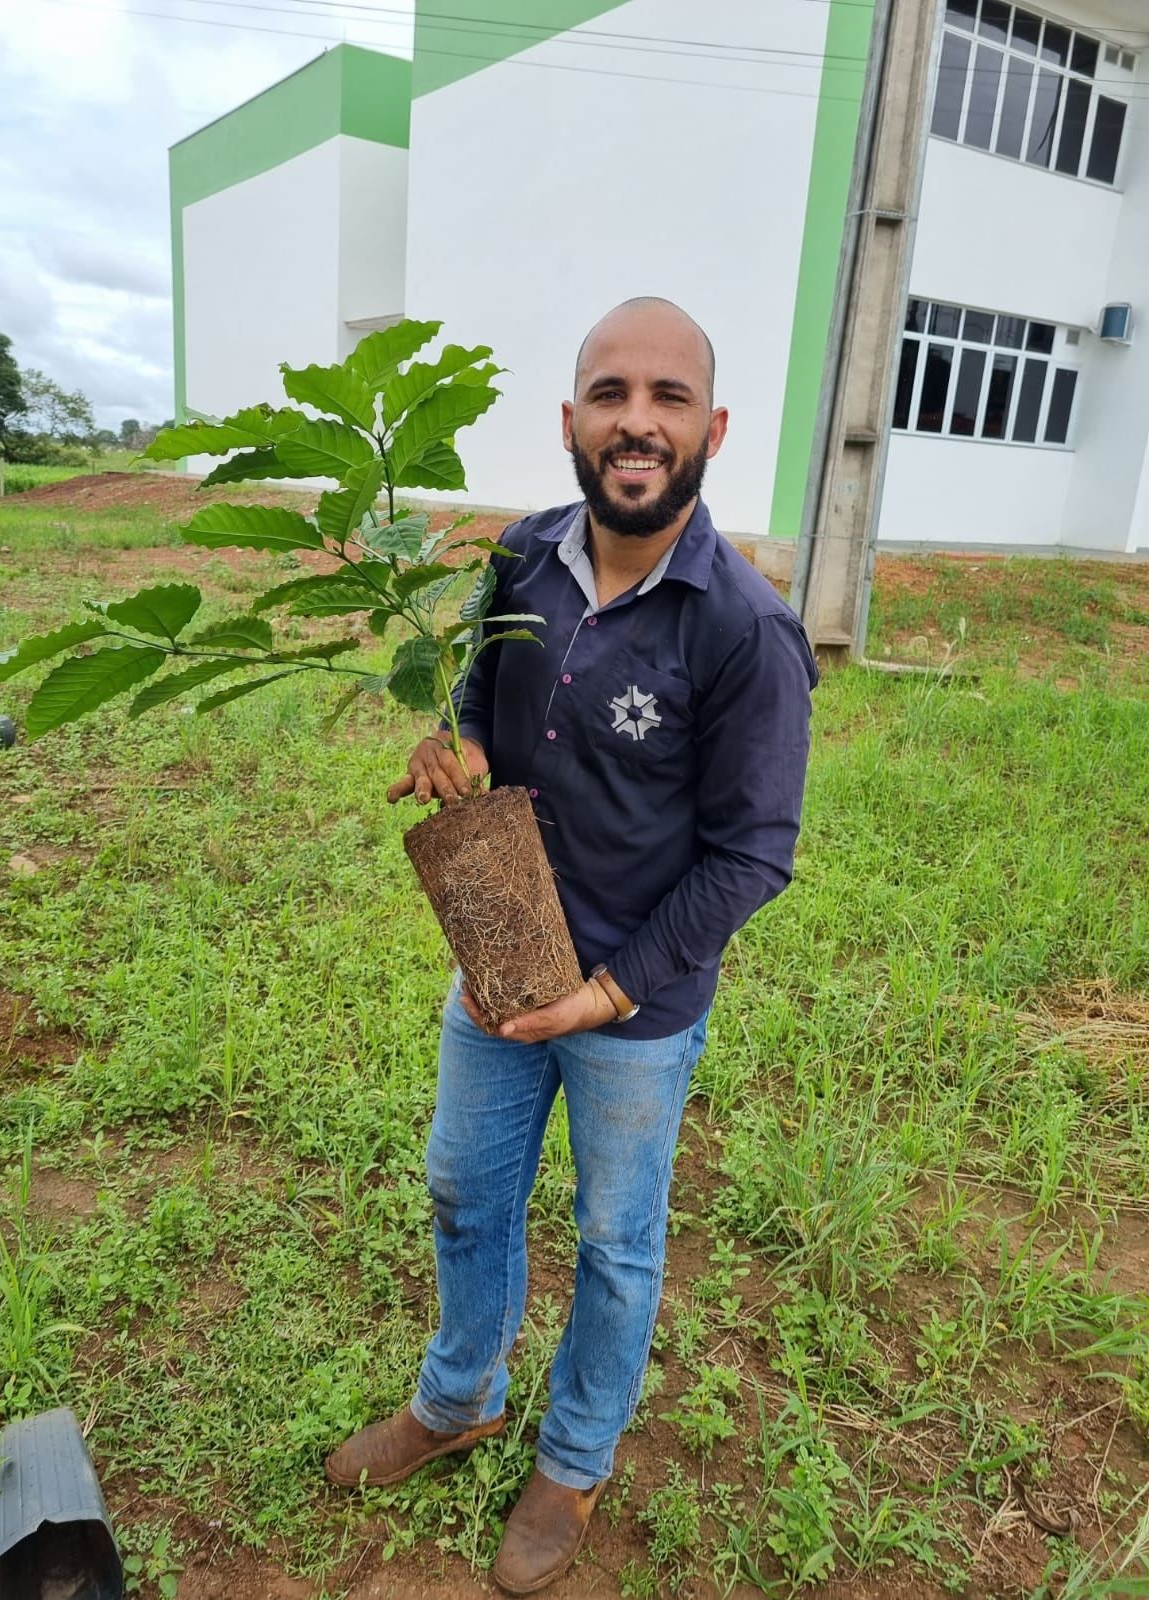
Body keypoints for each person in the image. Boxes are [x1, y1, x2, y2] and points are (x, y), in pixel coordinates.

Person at [324, 297, 818, 1594]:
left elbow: (753, 855)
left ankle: (578, 1456)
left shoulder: (744, 631)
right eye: (611, 393)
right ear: (572, 422)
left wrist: (603, 996)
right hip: (504, 958)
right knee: (464, 1190)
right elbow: (487, 703)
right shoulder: (523, 562)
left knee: (616, 1242)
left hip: (633, 1006)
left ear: (709, 429)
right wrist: (460, 744)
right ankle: (458, 1399)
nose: (635, 420)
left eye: (665, 397)